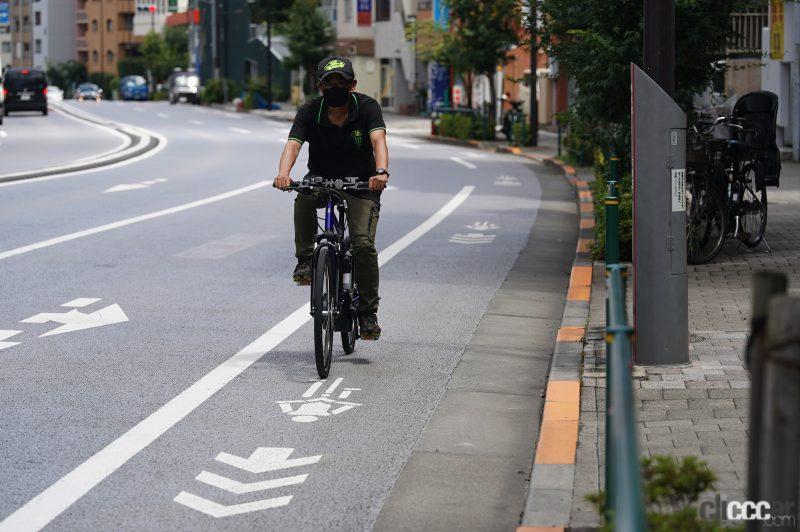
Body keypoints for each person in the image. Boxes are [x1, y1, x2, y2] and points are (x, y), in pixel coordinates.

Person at [273, 56, 390, 340]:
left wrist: (381, 171)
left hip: (362, 183)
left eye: (341, 81)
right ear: (320, 86)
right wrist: (283, 173)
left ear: (353, 85)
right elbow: (293, 144)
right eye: (329, 82)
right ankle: (305, 260)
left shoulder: (367, 108)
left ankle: (366, 312)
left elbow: (378, 141)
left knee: (362, 244)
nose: (335, 87)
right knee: (302, 197)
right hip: (321, 177)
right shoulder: (311, 111)